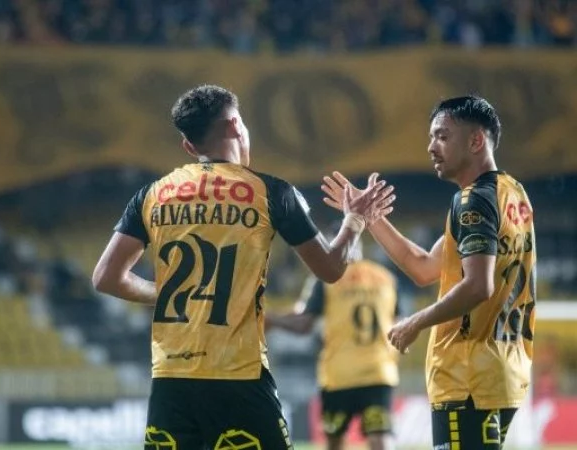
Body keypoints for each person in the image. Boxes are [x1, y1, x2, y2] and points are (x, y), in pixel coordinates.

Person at [92, 85, 395, 450]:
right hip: (238, 377)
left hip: (171, 378)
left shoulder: (152, 194)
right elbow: (331, 269)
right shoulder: (272, 192)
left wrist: (164, 292)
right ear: (236, 125)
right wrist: (354, 221)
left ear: (188, 146)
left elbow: (106, 278)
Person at [321, 96, 536, 450]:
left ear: (476, 141)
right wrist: (370, 218)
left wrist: (415, 322)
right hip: (502, 371)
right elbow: (423, 267)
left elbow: (478, 286)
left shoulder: (472, 201)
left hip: (468, 375)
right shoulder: (513, 194)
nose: (431, 147)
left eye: (442, 136)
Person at [266, 229, 400, 450]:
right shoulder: (386, 278)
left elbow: (304, 324)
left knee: (334, 441)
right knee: (380, 438)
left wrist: (270, 320)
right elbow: (398, 322)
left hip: (340, 374)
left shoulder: (328, 279)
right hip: (378, 371)